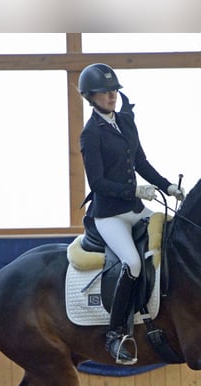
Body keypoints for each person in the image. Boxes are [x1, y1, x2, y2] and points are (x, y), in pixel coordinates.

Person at [78, 62, 184, 365]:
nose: (111, 96)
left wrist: (166, 186)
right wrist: (136, 191)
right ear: (90, 96)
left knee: (172, 238)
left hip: (135, 210)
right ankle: (115, 333)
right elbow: (97, 183)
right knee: (133, 263)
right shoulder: (90, 135)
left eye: (113, 90)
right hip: (110, 215)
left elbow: (141, 162)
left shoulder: (125, 122)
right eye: (104, 92)